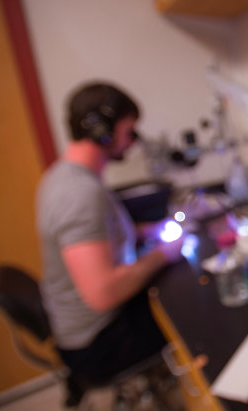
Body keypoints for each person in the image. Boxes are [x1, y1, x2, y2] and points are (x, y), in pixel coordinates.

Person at [36, 82, 183, 404]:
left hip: (85, 331)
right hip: (99, 342)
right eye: (129, 131)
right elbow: (102, 293)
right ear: (101, 131)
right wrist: (164, 253)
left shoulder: (65, 177)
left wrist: (146, 231)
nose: (133, 142)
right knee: (187, 314)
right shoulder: (79, 194)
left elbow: (100, 237)